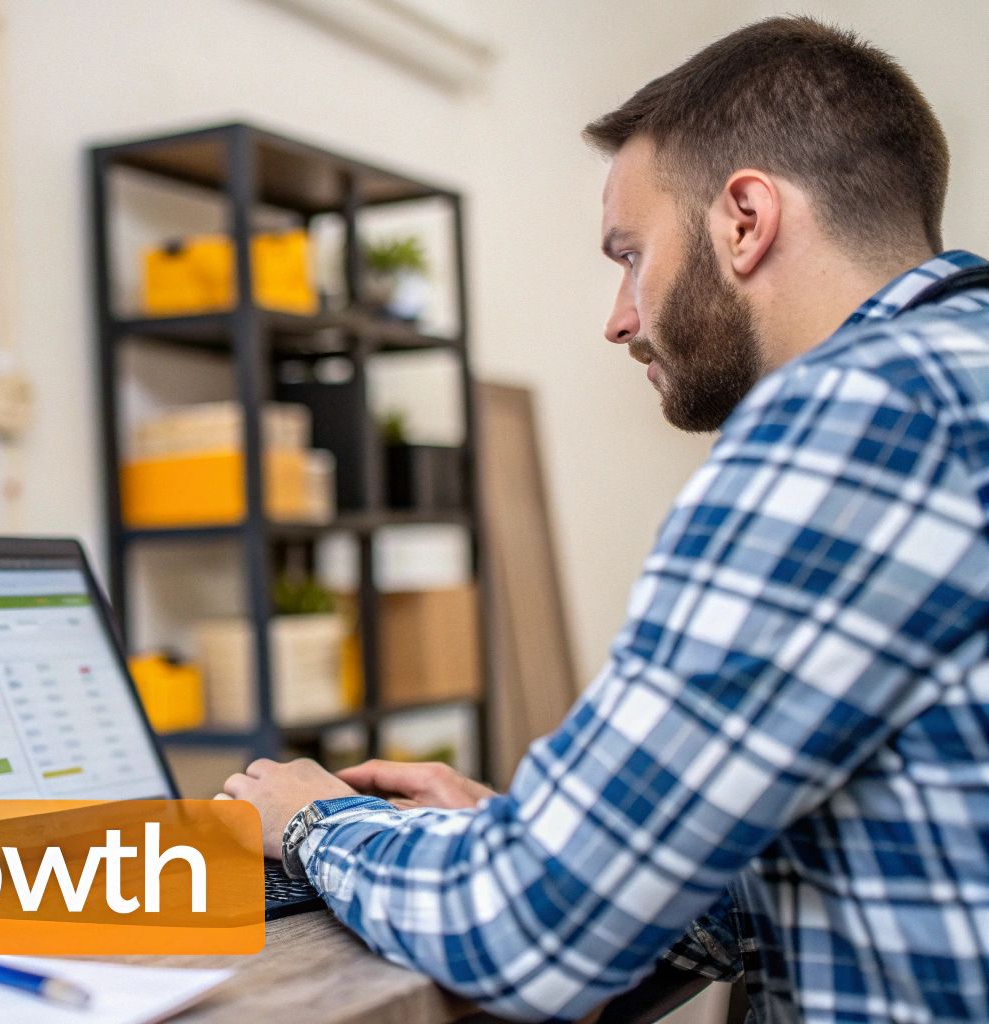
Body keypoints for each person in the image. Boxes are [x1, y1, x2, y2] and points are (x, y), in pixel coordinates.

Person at [223, 17, 989, 1023]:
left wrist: (313, 819)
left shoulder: (850, 414)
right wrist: (543, 837)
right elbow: (872, 867)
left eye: (629, 254)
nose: (619, 316)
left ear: (744, 218)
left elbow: (532, 933)